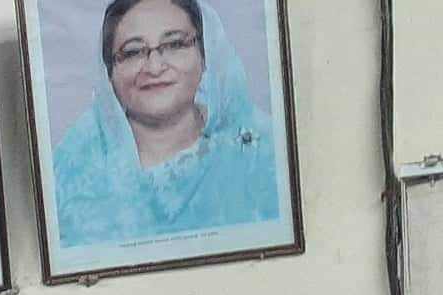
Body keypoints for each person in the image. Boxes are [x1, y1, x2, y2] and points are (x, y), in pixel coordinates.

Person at [51, 0, 282, 245]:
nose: (154, 67)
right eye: (133, 52)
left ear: (205, 55)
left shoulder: (266, 152)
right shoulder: (68, 176)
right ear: (108, 72)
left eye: (175, 44)